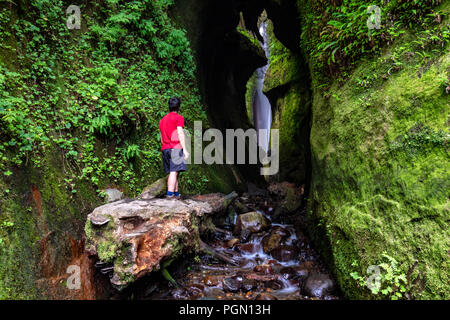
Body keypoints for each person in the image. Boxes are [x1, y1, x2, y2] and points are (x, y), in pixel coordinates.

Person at [159, 97, 189, 199]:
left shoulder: (162, 120)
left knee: (174, 171)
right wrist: (184, 149)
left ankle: (176, 193)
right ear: (178, 107)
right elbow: (180, 133)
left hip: (165, 148)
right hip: (175, 148)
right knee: (173, 172)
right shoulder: (178, 118)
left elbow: (161, 136)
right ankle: (170, 195)